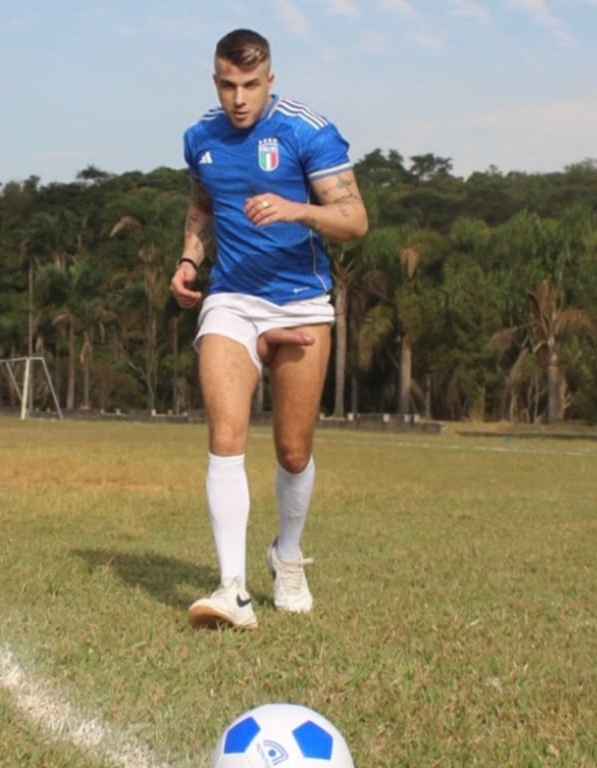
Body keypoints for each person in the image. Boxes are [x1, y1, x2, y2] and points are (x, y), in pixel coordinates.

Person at [170, 28, 368, 630]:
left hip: (300, 303)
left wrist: (296, 209)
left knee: (292, 448)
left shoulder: (307, 131)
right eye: (228, 85)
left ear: (270, 81)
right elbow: (203, 206)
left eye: (251, 85)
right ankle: (232, 587)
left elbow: (355, 219)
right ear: (215, 82)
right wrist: (187, 260)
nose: (238, 98)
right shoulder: (200, 138)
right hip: (231, 298)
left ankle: (286, 555)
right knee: (225, 435)